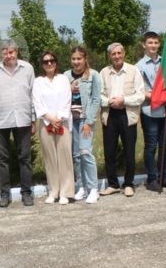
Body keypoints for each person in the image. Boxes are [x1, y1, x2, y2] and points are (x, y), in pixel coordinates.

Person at [0, 39, 36, 208]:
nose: (9, 55)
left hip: (23, 119)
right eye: (5, 52)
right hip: (0, 120)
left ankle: (27, 193)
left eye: (11, 51)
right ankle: (4, 195)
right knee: (2, 159)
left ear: (17, 52)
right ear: (2, 54)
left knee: (25, 158)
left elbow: (33, 95)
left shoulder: (27, 68)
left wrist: (34, 119)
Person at [99, 43, 145, 197]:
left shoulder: (133, 70)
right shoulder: (104, 72)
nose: (117, 56)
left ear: (124, 54)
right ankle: (112, 184)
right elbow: (97, 94)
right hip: (110, 115)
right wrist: (110, 102)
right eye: (113, 54)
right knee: (109, 152)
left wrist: (123, 100)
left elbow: (141, 95)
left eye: (119, 53)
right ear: (109, 56)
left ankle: (128, 183)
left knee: (129, 151)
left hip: (127, 115)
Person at [136, 32, 166, 191]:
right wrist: (156, 96)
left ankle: (163, 176)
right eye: (150, 43)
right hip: (150, 111)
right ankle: (152, 178)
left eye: (156, 42)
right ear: (144, 45)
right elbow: (139, 91)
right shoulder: (139, 66)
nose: (153, 45)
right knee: (151, 146)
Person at [32, 51, 73, 205]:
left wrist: (59, 118)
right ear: (42, 65)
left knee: (64, 157)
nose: (49, 64)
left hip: (62, 122)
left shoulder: (63, 79)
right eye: (45, 61)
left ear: (56, 63)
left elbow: (67, 100)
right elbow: (37, 102)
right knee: (50, 158)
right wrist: (49, 118)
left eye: (52, 61)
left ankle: (65, 192)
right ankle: (53, 191)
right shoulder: (38, 82)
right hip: (46, 123)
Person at [64, 46, 102, 204]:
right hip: (71, 120)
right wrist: (68, 89)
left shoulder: (93, 75)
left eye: (79, 58)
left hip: (85, 119)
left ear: (85, 59)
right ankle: (82, 187)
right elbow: (60, 96)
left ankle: (93, 189)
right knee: (76, 156)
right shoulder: (66, 76)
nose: (76, 61)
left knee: (86, 152)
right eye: (74, 59)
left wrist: (89, 122)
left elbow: (95, 99)